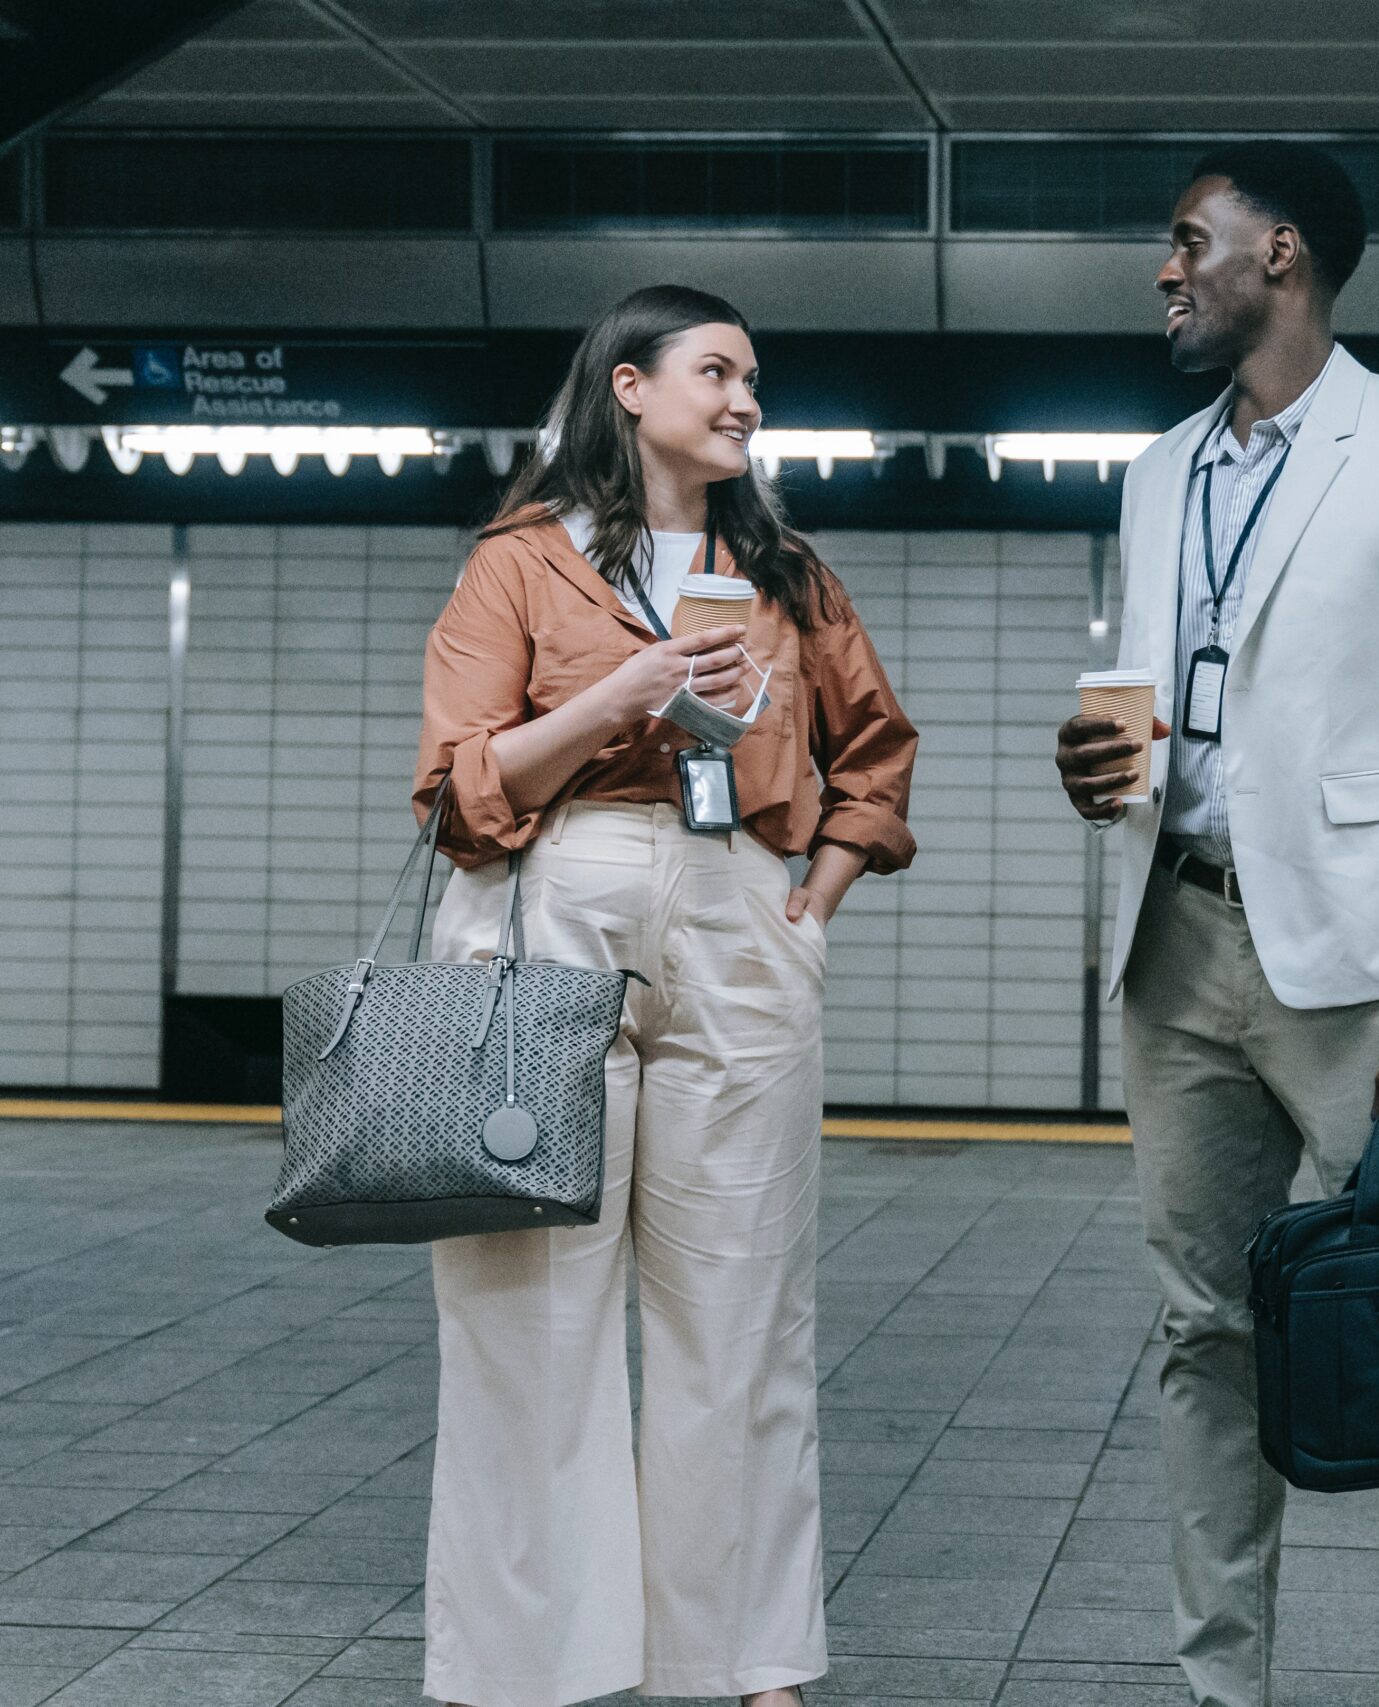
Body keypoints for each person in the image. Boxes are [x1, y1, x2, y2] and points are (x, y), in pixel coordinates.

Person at [1052, 143, 1379, 1707]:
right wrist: (1100, 772)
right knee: (1204, 1334)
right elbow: (1178, 706)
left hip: (1365, 972)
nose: (1165, 271)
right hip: (1174, 946)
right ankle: (1222, 1690)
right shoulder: (1153, 473)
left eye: (1192, 241)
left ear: (1286, 257)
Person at [412, 283, 918, 1707]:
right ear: (628, 388)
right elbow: (457, 789)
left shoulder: (791, 577)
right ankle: (523, 1667)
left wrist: (810, 901)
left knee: (742, 1304)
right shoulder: (519, 566)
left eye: (755, 377)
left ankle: (748, 1659)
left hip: (738, 908)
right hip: (546, 909)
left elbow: (876, 751)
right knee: (528, 1307)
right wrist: (622, 692)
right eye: (717, 372)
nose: (747, 398)